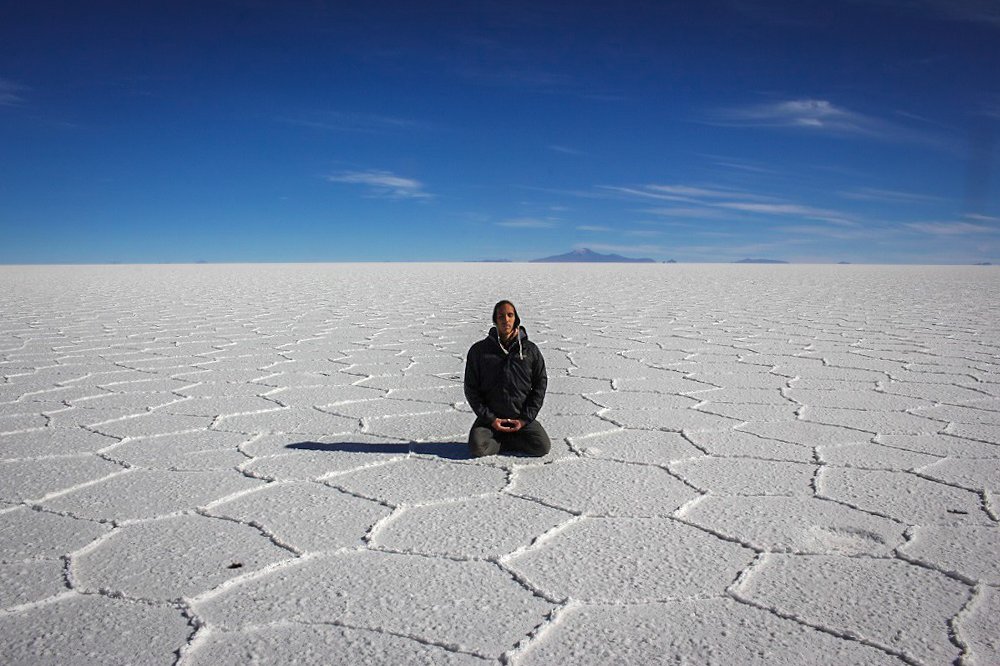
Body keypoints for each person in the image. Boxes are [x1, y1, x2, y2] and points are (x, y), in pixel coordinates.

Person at [464, 300, 550, 457]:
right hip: (490, 420)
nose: (506, 319)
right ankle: (501, 440)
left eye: (510, 315)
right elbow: (471, 388)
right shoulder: (480, 351)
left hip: (520, 417)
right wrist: (490, 419)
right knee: (477, 447)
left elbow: (540, 383)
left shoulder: (530, 350)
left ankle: (511, 437)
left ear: (516, 319)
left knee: (542, 447)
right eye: (501, 316)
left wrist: (525, 419)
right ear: (495, 320)